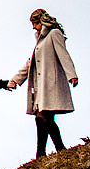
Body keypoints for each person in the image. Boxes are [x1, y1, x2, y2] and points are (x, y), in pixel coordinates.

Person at [10, 9, 80, 157]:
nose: (33, 27)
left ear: (41, 21)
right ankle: (57, 150)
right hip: (42, 87)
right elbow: (31, 63)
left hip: (51, 84)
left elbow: (63, 55)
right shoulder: (40, 40)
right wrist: (16, 80)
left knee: (42, 117)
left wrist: (71, 75)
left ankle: (42, 153)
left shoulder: (54, 34)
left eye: (34, 23)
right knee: (44, 118)